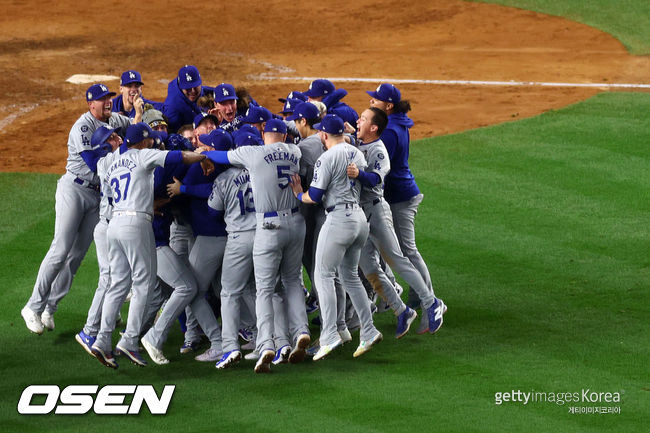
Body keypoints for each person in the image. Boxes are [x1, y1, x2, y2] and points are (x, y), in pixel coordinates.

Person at [90, 123, 206, 369]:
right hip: (136, 223)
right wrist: (204, 156)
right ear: (142, 142)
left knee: (118, 285)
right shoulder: (144, 155)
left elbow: (109, 195)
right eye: (149, 140)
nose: (152, 142)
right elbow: (181, 156)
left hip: (114, 223)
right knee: (143, 284)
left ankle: (102, 339)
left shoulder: (111, 162)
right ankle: (130, 341)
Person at [21, 84, 131, 335]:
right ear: (90, 104)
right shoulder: (82, 127)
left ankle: (50, 308)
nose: (108, 103)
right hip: (74, 189)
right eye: (103, 100)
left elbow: (133, 127)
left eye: (109, 98)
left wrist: (137, 111)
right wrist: (119, 149)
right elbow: (92, 162)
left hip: (96, 196)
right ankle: (32, 307)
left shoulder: (114, 118)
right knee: (60, 250)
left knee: (76, 257)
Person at [204, 119, 310, 374]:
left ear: (265, 134)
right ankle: (296, 334)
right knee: (290, 282)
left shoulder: (252, 154)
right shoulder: (294, 151)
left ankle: (261, 345)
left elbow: (221, 155)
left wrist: (204, 154)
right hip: (295, 222)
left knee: (258, 289)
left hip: (267, 228)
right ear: (284, 134)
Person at [290, 114, 382, 361]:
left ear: (322, 135)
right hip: (359, 220)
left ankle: (330, 334)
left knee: (323, 276)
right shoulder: (357, 153)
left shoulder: (326, 157)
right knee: (350, 277)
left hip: (339, 219)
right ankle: (369, 329)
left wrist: (299, 195)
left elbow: (316, 196)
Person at [367, 83, 446, 332]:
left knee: (407, 251)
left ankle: (432, 300)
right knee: (401, 251)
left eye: (375, 100)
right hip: (400, 194)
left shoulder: (389, 132)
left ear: (388, 106)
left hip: (400, 198)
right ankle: (416, 296)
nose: (371, 103)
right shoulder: (398, 122)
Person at [209, 127, 262, 369]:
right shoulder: (263, 171)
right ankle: (271, 341)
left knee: (229, 292)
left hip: (239, 239)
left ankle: (230, 347)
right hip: (264, 236)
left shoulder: (223, 179)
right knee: (262, 290)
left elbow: (213, 211)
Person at [74, 126, 122, 355]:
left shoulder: (113, 159)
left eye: (115, 135)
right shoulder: (108, 163)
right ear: (104, 146)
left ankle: (109, 319)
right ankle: (89, 331)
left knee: (119, 277)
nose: (117, 139)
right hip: (107, 228)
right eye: (112, 138)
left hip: (115, 227)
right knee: (108, 279)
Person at [163, 65, 205, 133]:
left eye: (195, 86)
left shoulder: (204, 91)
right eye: (188, 88)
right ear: (181, 86)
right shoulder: (173, 107)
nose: (193, 91)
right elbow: (173, 135)